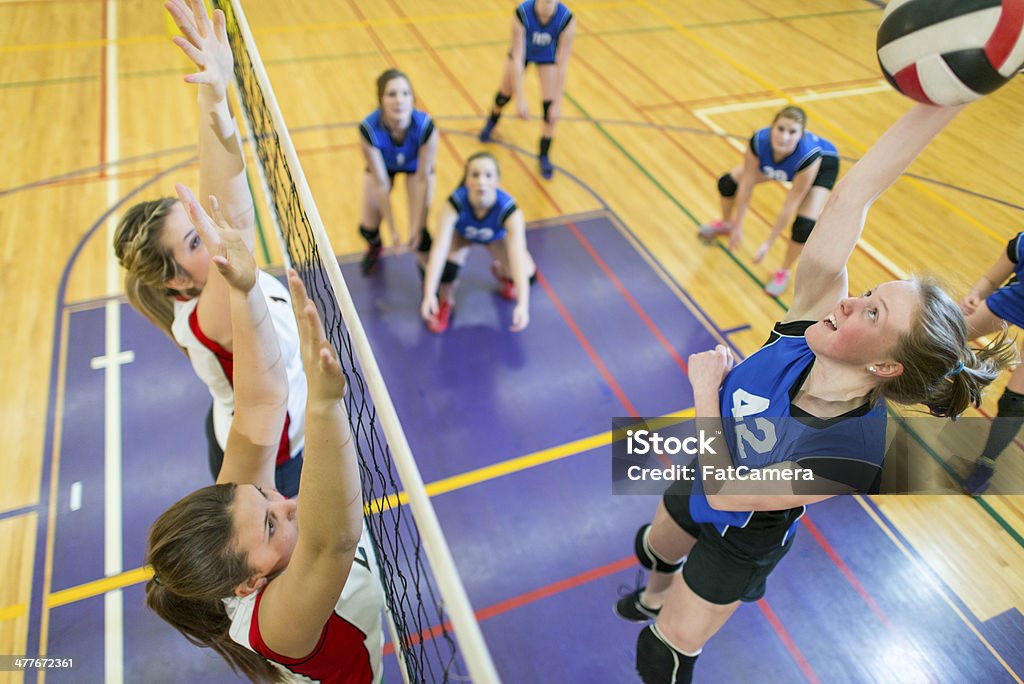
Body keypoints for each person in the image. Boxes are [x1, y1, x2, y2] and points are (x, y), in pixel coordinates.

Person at [618, 103, 1015, 684]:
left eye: (872, 310)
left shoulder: (852, 451)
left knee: (663, 656)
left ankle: (663, 621)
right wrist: (942, 98)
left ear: (884, 363)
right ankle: (654, 596)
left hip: (742, 529)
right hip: (707, 464)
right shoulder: (808, 318)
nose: (851, 298)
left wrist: (707, 390)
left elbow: (730, 495)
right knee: (654, 549)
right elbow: (851, 195)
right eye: (869, 290)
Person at [146, 188, 384, 684]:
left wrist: (245, 289)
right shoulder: (275, 626)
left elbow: (258, 406)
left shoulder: (237, 535)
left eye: (262, 494)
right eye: (271, 526)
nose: (288, 503)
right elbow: (333, 542)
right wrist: (323, 405)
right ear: (250, 583)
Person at [113, 0, 306, 497]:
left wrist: (220, 96)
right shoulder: (208, 318)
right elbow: (233, 217)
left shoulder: (210, 293)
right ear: (178, 279)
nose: (210, 227)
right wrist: (213, 97)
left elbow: (227, 198)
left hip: (236, 426)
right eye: (195, 238)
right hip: (275, 462)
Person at [698, 106, 840, 297]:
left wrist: (768, 243)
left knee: (804, 225)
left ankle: (784, 271)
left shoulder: (809, 155)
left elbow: (790, 202)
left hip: (820, 168)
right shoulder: (759, 141)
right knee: (728, 183)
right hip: (780, 163)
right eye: (780, 129)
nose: (784, 137)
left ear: (801, 135)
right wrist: (737, 226)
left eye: (792, 132)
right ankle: (726, 224)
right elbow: (746, 185)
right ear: (772, 127)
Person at [420, 152, 537, 334]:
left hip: (495, 240)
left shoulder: (510, 212)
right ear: (467, 179)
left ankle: (503, 275)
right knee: (446, 269)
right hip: (461, 237)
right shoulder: (453, 206)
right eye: (475, 175)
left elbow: (517, 256)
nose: (481, 181)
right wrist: (428, 295)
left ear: (497, 181)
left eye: (488, 175)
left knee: (527, 274)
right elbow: (438, 252)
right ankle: (444, 301)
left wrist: (523, 305)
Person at [477, 0, 576, 179]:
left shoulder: (566, 19)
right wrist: (521, 99)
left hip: (547, 57)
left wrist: (558, 103)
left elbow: (563, 64)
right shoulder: (522, 13)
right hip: (523, 54)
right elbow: (517, 58)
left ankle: (544, 155)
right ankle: (492, 121)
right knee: (505, 94)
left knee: (550, 109)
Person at [358, 68, 440, 276]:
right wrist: (393, 230)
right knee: (368, 227)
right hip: (383, 168)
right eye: (391, 94)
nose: (400, 100)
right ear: (381, 100)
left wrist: (415, 226)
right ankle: (375, 246)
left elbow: (422, 178)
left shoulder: (426, 127)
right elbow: (381, 184)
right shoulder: (368, 130)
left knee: (421, 232)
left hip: (416, 169)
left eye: (406, 93)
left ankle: (428, 280)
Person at [959, 236, 1024, 494]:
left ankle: (987, 462)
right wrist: (975, 294)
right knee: (942, 334)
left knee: (1016, 401)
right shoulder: (1021, 244)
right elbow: (991, 280)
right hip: (1017, 298)